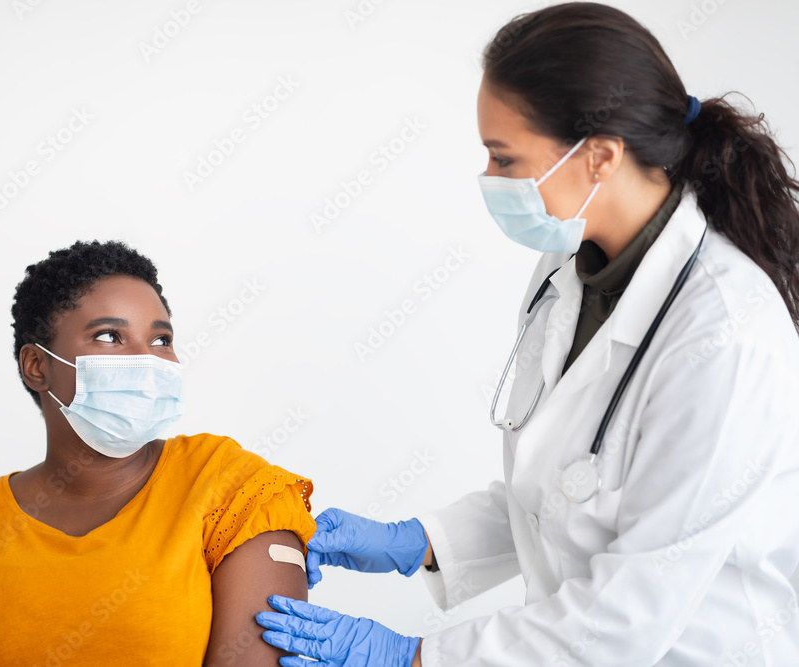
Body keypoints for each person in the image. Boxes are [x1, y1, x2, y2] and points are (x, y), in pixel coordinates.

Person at [256, 3, 799, 665]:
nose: (489, 180)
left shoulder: (725, 336)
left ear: (598, 155)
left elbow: (628, 613)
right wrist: (419, 540)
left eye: (504, 158)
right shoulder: (566, 271)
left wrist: (412, 654)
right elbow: (570, 490)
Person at [0, 240, 316, 666]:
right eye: (110, 336)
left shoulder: (231, 489)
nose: (146, 360)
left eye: (161, 339)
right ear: (37, 365)